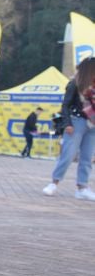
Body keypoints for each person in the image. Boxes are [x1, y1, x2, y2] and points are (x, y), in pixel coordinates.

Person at [43, 57, 95, 200]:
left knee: (87, 158)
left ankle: (82, 188)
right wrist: (67, 124)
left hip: (93, 125)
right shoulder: (75, 83)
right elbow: (65, 105)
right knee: (68, 155)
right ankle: (54, 183)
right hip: (76, 122)